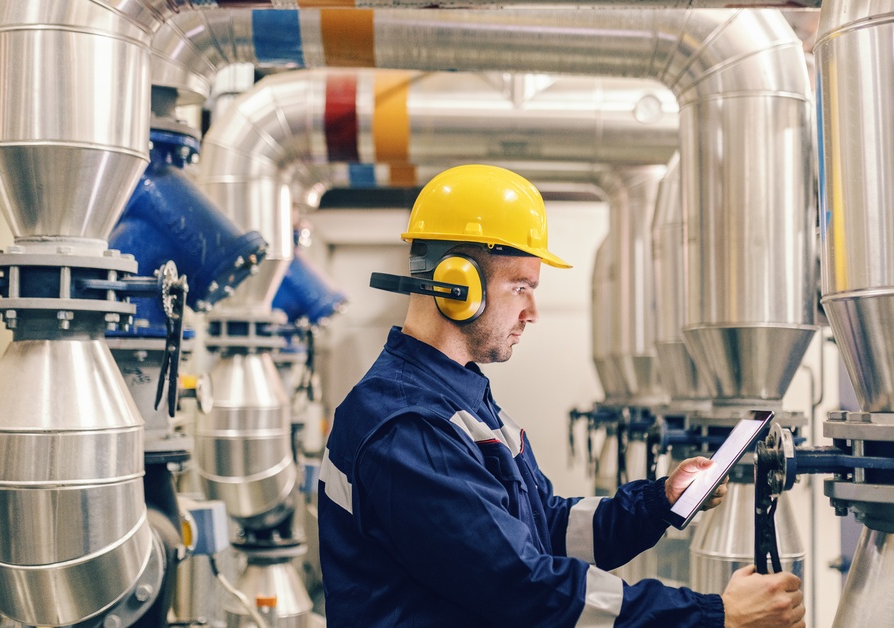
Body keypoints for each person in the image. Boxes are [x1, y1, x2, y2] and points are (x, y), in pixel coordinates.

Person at [318, 164, 805, 627]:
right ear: (457, 286)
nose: (532, 311)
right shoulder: (409, 426)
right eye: (521, 287)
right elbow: (523, 587)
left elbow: (546, 528)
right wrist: (716, 615)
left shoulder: (457, 397)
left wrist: (658, 502)